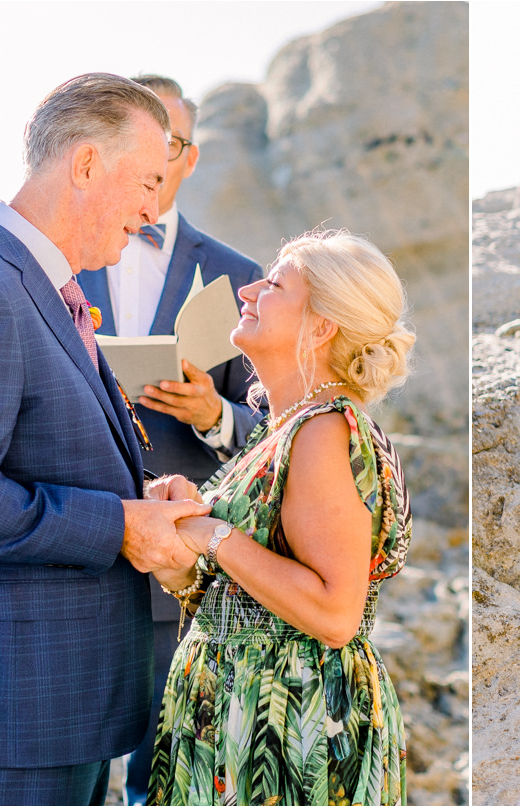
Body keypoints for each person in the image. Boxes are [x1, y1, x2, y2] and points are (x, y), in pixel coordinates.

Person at [0, 73, 208, 806]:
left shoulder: (30, 281)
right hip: (8, 721)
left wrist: (139, 496)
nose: (155, 210)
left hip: (58, 708)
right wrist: (123, 524)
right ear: (88, 165)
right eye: (150, 181)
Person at [144, 229, 414, 806]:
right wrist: (179, 551)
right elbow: (248, 592)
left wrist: (212, 534)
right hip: (243, 716)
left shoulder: (322, 431)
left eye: (273, 284)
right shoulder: (285, 428)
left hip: (292, 726)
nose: (247, 290)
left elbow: (334, 612)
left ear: (321, 327)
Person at [74, 74, 265, 807]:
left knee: (166, 773)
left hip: (180, 572)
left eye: (173, 143)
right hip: (76, 551)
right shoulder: (59, 260)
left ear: (188, 156)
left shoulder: (238, 274)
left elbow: (272, 430)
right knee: (75, 768)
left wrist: (212, 410)